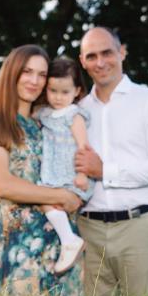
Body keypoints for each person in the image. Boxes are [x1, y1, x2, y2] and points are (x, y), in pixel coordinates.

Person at [74, 27, 148, 296]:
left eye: (107, 52)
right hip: (88, 229)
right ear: (82, 61)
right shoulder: (78, 111)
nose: (100, 61)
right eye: (91, 56)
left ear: (122, 52)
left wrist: (105, 170)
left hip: (138, 225)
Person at [0, 45, 83, 296]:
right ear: (12, 73)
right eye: (27, 72)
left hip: (62, 240)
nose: (35, 81)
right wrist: (61, 196)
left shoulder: (44, 123)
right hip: (22, 239)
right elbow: (4, 185)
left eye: (42, 74)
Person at [35, 57, 93, 274]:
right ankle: (67, 239)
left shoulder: (73, 115)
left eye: (65, 92)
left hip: (70, 174)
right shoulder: (45, 113)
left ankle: (69, 240)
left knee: (44, 199)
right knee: (46, 201)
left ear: (77, 91)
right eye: (53, 91)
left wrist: (82, 174)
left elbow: (83, 146)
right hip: (53, 173)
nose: (58, 98)